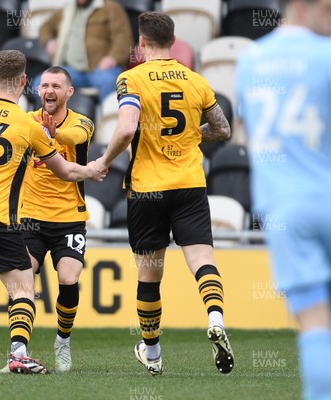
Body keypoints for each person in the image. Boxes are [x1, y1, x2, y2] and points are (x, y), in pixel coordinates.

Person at [0, 50, 104, 375]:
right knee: (22, 289)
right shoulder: (27, 125)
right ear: (24, 82)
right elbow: (66, 172)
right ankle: (18, 354)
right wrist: (93, 169)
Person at [94, 12, 234, 376]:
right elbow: (223, 128)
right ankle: (215, 318)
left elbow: (126, 130)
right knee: (202, 259)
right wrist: (192, 133)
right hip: (189, 184)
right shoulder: (196, 81)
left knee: (149, 275)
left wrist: (104, 161)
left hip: (147, 190)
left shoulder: (131, 79)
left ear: (141, 43)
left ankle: (153, 353)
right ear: (173, 42)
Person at [236, 0, 331, 397]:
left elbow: (247, 128)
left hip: (285, 209)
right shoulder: (325, 55)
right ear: (302, 7)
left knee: (314, 322)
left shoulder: (249, 61)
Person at [15, 66, 94, 373]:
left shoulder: (82, 122)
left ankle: (62, 340)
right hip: (30, 217)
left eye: (56, 86)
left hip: (69, 219)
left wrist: (52, 133)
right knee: (22, 282)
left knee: (68, 279)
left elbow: (75, 136)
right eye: (44, 85)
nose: (49, 90)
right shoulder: (26, 121)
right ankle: (18, 351)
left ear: (68, 92)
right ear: (38, 90)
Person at [38, 0, 132, 101]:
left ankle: (107, 115)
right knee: (39, 83)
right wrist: (49, 41)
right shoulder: (66, 10)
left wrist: (113, 58)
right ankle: (57, 115)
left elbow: (124, 39)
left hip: (100, 70)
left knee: (110, 81)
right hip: (72, 70)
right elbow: (45, 27)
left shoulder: (111, 8)